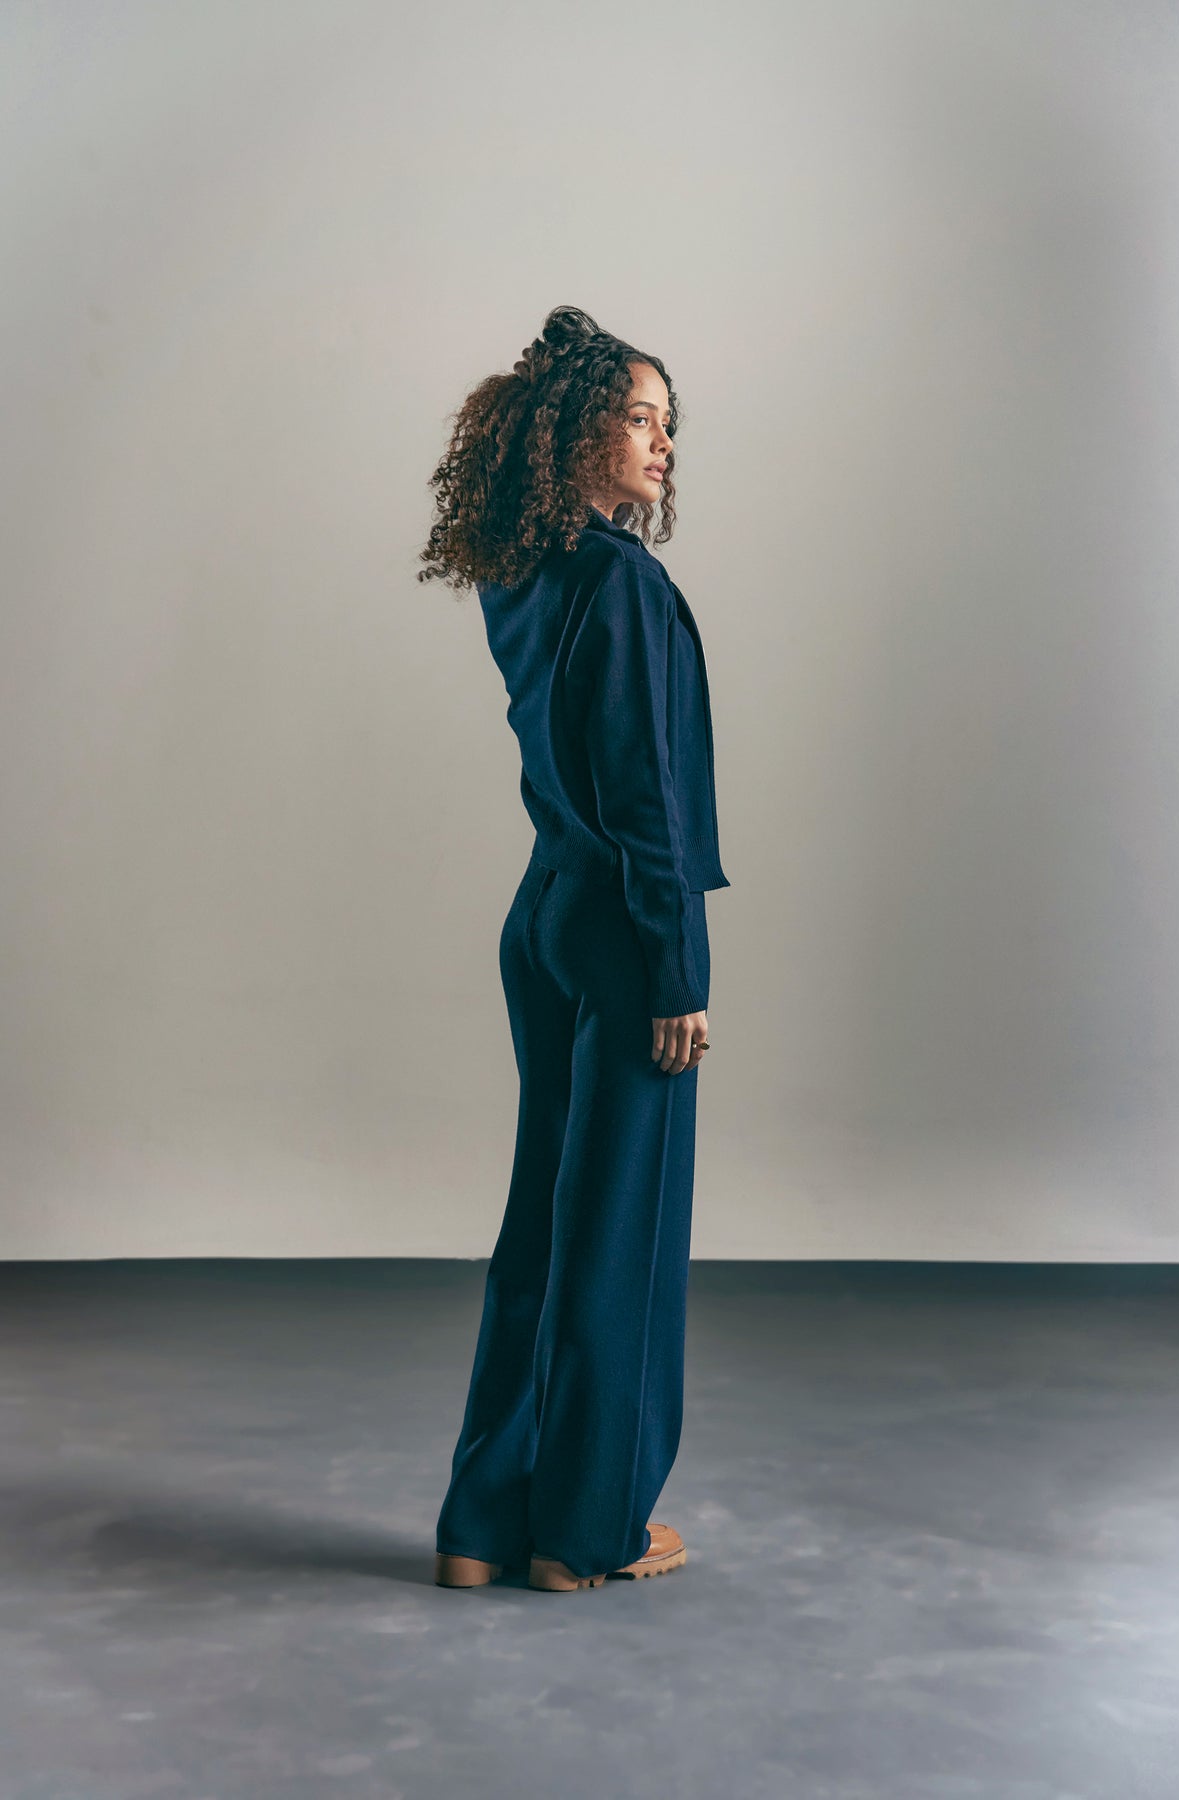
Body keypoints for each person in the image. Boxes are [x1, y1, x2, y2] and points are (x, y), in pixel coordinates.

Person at [418, 304, 731, 1592]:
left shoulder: (524, 573)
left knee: (543, 1223)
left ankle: (481, 1526)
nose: (664, 442)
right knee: (621, 1237)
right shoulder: (624, 583)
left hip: (541, 915)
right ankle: (583, 1534)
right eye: (641, 417)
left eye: (670, 423)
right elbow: (647, 794)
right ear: (578, 428)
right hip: (618, 930)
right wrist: (677, 968)